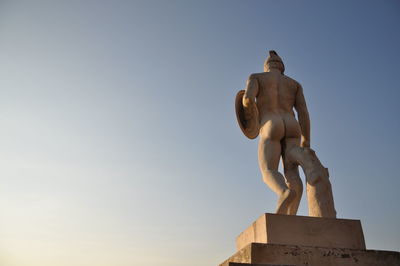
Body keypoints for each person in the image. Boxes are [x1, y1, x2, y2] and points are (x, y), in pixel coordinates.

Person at [242, 50, 310, 215]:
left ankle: (283, 192)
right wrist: (306, 140)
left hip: (271, 123)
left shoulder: (256, 77)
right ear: (282, 67)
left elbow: (248, 99)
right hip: (292, 125)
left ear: (267, 67)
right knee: (292, 172)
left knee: (269, 171)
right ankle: (290, 216)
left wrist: (251, 116)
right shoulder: (294, 84)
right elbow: (303, 113)